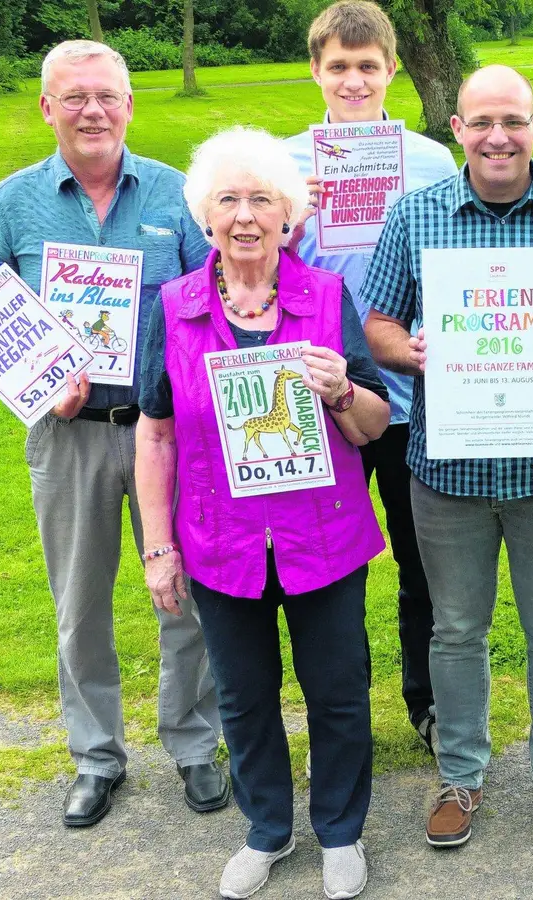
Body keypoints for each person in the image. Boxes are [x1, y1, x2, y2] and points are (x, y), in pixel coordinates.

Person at [364, 65, 533, 854]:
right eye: (482, 121)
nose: (498, 137)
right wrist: (408, 351)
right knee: (454, 631)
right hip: (447, 470)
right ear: (456, 127)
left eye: (513, 121)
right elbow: (378, 319)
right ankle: (461, 774)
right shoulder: (416, 214)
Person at [0, 39, 225, 829]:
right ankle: (96, 756)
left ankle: (193, 744)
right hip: (68, 433)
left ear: (129, 105)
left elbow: (209, 307)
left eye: (106, 96)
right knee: (79, 603)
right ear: (48, 108)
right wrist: (44, 385)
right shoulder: (10, 204)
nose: (92, 111)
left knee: (182, 594)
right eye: (74, 97)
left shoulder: (179, 195)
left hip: (166, 432)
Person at [134, 125, 392, 900]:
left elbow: (375, 424)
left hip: (324, 538)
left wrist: (342, 388)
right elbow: (155, 431)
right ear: (204, 217)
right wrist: (157, 546)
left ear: (291, 215)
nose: (245, 216)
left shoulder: (330, 299)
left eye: (263, 200)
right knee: (244, 698)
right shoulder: (173, 307)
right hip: (220, 544)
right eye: (228, 200)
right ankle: (267, 831)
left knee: (338, 690)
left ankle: (341, 832)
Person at [282, 0, 460, 757]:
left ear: (391, 70)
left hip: (414, 398)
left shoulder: (429, 161)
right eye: (338, 67)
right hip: (320, 393)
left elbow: (454, 262)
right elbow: (247, 269)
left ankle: (426, 703)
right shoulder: (284, 162)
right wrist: (293, 220)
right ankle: (341, 712)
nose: (353, 81)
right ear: (317, 72)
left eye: (367, 66)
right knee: (328, 568)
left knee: (424, 561)